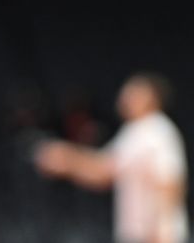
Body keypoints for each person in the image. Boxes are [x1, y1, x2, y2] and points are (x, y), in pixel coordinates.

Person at [34, 72, 189, 243]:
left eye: (133, 92)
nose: (125, 96)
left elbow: (171, 183)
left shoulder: (158, 129)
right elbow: (103, 171)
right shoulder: (134, 132)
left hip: (156, 237)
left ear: (152, 98)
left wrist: (163, 230)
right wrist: (68, 160)